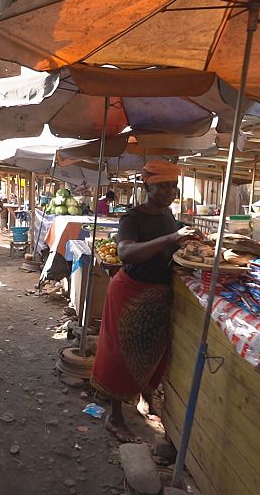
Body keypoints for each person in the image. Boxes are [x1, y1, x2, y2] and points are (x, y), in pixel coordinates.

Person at [91, 160, 201, 443]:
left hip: (158, 292)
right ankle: (114, 416)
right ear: (147, 186)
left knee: (153, 349)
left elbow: (167, 243)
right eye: (162, 185)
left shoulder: (166, 214)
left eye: (173, 185)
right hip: (131, 292)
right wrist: (172, 237)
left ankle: (145, 400)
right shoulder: (132, 217)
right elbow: (126, 252)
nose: (169, 191)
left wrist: (184, 240)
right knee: (121, 353)